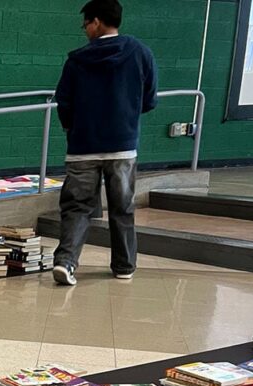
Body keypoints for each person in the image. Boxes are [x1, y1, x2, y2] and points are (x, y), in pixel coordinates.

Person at [51, 0, 157, 286]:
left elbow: (64, 101)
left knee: (77, 207)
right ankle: (124, 266)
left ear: (96, 21)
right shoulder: (140, 53)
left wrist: (72, 128)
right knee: (122, 208)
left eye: (85, 23)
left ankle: (66, 262)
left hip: (82, 147)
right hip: (122, 146)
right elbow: (149, 100)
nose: (85, 29)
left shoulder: (77, 60)